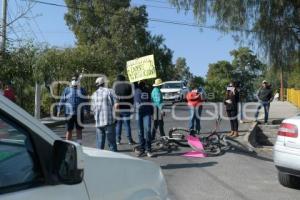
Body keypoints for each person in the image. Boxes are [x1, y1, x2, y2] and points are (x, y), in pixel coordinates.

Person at [57, 76, 89, 144]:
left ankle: (79, 145)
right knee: (69, 130)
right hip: (69, 113)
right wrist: (59, 109)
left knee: (79, 130)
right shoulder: (67, 90)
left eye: (75, 79)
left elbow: (86, 101)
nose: (74, 81)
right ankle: (67, 145)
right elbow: (62, 100)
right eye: (73, 79)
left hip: (79, 114)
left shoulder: (82, 90)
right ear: (71, 81)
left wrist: (87, 110)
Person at [91, 77, 117, 152]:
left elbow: (92, 109)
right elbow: (116, 105)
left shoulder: (94, 94)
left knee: (100, 144)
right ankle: (115, 159)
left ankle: (99, 160)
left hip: (99, 122)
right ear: (104, 83)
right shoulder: (110, 91)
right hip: (109, 121)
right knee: (112, 143)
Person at [114, 74, 136, 145]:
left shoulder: (115, 87)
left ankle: (118, 140)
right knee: (127, 125)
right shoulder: (128, 86)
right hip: (127, 108)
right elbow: (132, 97)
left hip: (118, 108)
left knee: (118, 125)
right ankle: (130, 140)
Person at [134, 80, 154, 157]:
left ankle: (148, 149)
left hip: (147, 113)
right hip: (138, 113)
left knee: (148, 130)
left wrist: (152, 113)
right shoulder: (136, 88)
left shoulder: (147, 89)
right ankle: (142, 148)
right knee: (140, 131)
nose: (141, 81)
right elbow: (134, 80)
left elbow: (150, 101)